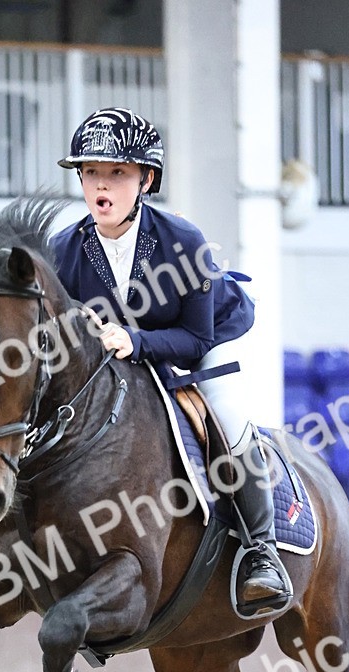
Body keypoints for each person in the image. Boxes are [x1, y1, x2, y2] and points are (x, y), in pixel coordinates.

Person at [50, 107, 290, 609]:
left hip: (203, 336)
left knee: (227, 412)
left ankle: (261, 552)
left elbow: (196, 339)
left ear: (146, 179)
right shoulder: (64, 250)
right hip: (123, 351)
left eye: (117, 172)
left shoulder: (183, 240)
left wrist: (135, 342)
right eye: (91, 172)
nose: (101, 185)